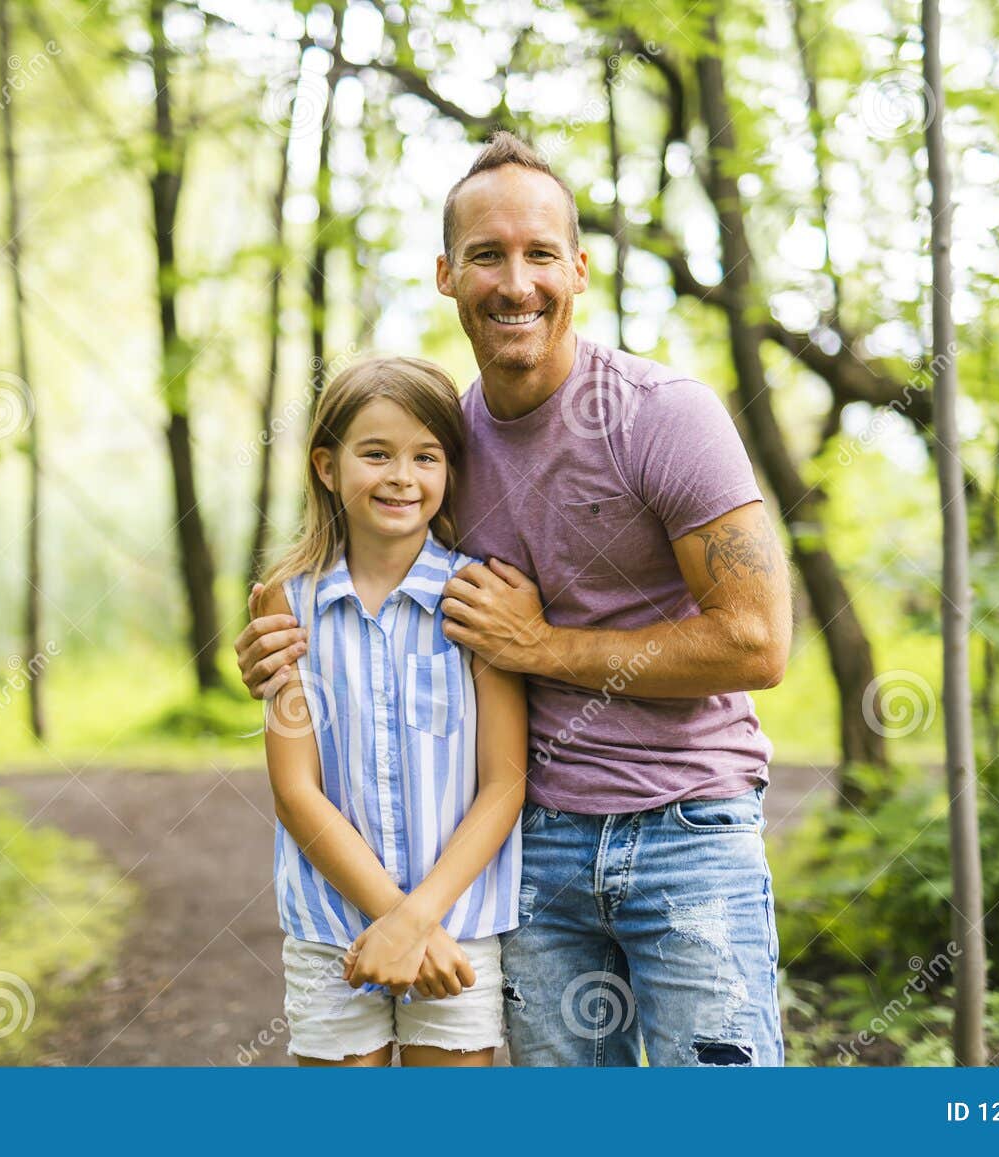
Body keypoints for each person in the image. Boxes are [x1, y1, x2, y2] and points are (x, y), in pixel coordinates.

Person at [239, 133, 792, 1067]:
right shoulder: (443, 447)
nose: (516, 282)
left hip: (688, 831)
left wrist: (541, 647)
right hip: (531, 864)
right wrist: (274, 644)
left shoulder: (666, 416)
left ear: (578, 267)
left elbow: (756, 645)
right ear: (448, 275)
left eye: (540, 253)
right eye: (488, 255)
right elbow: (371, 597)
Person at [253, 354, 527, 1067]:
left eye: (425, 456)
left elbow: (504, 781)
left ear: (449, 469)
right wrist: (393, 917)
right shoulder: (289, 603)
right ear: (326, 465)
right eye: (375, 454)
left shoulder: (477, 598)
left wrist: (419, 918)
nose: (402, 476)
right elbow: (294, 787)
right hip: (332, 930)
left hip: (456, 928)